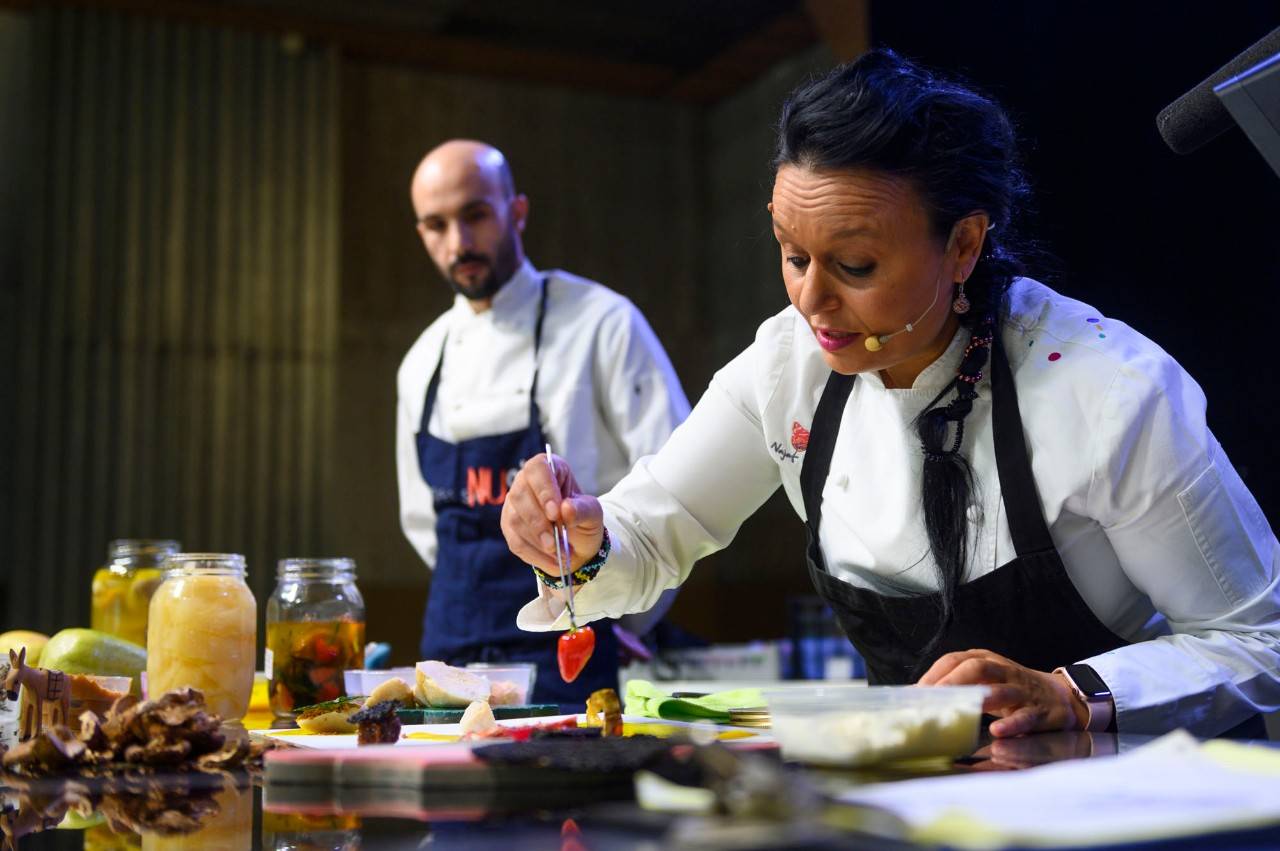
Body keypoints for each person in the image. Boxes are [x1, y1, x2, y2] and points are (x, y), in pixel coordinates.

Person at [501, 51, 1280, 737]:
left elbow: (1257, 639)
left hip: (1115, 801)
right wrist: (582, 532)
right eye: (790, 254)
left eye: (856, 267)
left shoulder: (1107, 391)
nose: (810, 301)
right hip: (910, 805)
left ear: (965, 244)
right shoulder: (788, 364)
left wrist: (1072, 694)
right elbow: (653, 527)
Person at [396, 140, 690, 704]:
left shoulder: (603, 323)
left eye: (475, 215)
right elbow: (422, 524)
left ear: (518, 211)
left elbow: (675, 484)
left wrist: (629, 613)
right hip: (453, 660)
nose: (458, 242)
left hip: (573, 652)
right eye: (437, 225)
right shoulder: (419, 364)